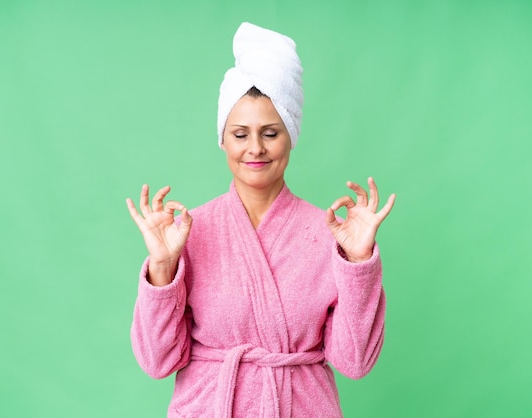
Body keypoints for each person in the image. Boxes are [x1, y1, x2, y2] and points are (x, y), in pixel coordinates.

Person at [126, 22, 396, 418]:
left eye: (270, 133)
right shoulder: (188, 232)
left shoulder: (330, 234)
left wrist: (358, 264)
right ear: (222, 139)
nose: (255, 148)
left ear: (291, 136)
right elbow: (157, 363)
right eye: (240, 134)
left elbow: (355, 363)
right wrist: (163, 269)